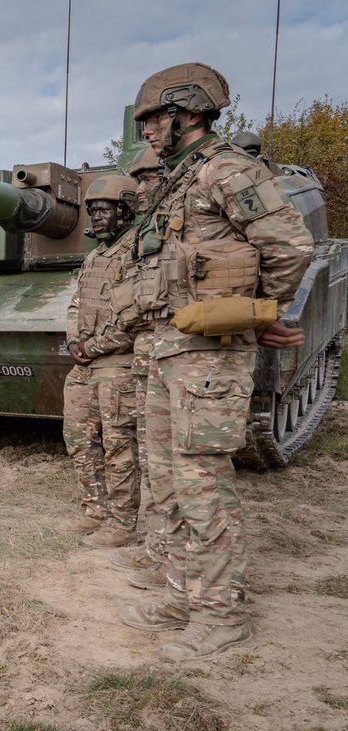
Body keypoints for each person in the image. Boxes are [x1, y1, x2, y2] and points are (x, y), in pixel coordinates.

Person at [117, 63, 313, 661]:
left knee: (201, 481)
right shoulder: (179, 180)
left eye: (154, 120)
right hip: (164, 347)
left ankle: (221, 614)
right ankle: (183, 592)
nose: (147, 131)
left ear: (190, 113)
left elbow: (289, 246)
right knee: (166, 478)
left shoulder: (229, 170)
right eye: (145, 122)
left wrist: (257, 314)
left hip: (206, 353)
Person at [62, 176, 142, 548]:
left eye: (103, 210)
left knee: (117, 445)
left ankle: (123, 522)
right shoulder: (96, 255)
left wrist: (92, 347)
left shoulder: (136, 252)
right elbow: (77, 303)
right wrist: (74, 339)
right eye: (91, 211)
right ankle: (94, 509)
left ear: (125, 209)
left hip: (117, 363)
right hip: (85, 363)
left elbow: (134, 317)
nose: (95, 217)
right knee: (78, 437)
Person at [108, 146, 168, 589]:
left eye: (149, 178)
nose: (141, 189)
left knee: (177, 465)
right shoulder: (140, 235)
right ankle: (163, 554)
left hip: (187, 345)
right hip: (153, 348)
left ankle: (180, 568)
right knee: (154, 456)